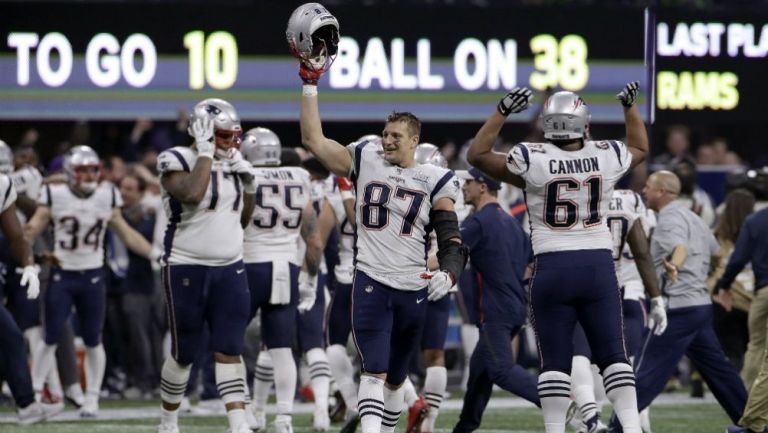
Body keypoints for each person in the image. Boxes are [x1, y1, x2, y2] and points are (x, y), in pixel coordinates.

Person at [290, 6, 467, 433]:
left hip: (413, 286)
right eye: (385, 134)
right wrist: (310, 84)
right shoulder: (365, 158)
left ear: (415, 140)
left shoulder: (434, 176)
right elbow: (313, 140)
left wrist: (451, 273)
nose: (387, 141)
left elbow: (450, 236)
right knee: (374, 368)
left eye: (395, 136)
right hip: (371, 279)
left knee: (396, 378)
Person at [466, 82, 650, 433]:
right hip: (597, 266)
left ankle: (554, 429)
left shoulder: (531, 158)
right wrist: (629, 108)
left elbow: (477, 155)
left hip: (551, 266)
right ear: (583, 123)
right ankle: (630, 426)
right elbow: (640, 146)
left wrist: (501, 111)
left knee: (554, 362)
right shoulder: (606, 154)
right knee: (614, 356)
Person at [607, 170, 748, 433]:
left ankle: (617, 427)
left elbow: (679, 248)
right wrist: (699, 273)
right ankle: (752, 422)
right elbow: (717, 254)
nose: (644, 191)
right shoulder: (694, 217)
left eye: (649, 187)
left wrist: (675, 266)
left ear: (662, 192)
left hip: (677, 308)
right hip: (700, 306)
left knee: (647, 371)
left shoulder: (669, 219)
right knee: (719, 371)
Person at [24, 145, 158, 418]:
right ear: (71, 173)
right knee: (50, 337)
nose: (89, 175)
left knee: (94, 339)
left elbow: (126, 233)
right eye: (83, 170)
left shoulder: (107, 194)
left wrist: (155, 253)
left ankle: (92, 398)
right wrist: (29, 260)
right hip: (62, 274)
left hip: (93, 276)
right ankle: (36, 394)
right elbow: (29, 231)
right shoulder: (55, 194)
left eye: (93, 170)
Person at [153, 98, 257, 433]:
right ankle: (168, 421)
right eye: (223, 136)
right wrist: (205, 152)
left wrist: (251, 188)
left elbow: (241, 221)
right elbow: (194, 193)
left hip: (230, 266)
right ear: (203, 132)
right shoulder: (177, 158)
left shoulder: (234, 162)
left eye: (234, 136)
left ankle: (238, 424)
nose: (231, 144)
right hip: (187, 265)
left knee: (230, 348)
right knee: (184, 352)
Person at [238, 127, 322, 433]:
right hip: (286, 267)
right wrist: (310, 280)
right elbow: (313, 241)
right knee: (282, 348)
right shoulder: (299, 177)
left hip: (247, 265)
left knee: (229, 343)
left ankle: (244, 413)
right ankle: (284, 418)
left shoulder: (243, 174)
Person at [451, 166, 541, 433]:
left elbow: (450, 252)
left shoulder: (478, 221)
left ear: (482, 186)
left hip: (495, 309)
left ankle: (556, 400)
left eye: (468, 182)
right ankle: (464, 429)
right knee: (479, 375)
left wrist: (415, 267)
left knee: (500, 370)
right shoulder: (509, 220)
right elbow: (532, 263)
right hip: (514, 305)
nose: (464, 187)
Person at [568, 188, 666, 433]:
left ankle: (590, 416)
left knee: (581, 355)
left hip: (590, 284)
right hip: (629, 289)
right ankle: (638, 423)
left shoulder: (583, 195)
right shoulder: (633, 201)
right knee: (623, 364)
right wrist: (657, 297)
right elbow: (645, 250)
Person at [0, 161, 63, 424]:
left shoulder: (2, 184)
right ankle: (26, 404)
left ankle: (27, 405)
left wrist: (29, 265)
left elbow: (16, 236)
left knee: (11, 337)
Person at [716, 194, 768, 433]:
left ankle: (749, 404)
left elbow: (738, 259)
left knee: (756, 349)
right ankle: (753, 418)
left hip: (762, 292)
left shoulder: (756, 220)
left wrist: (723, 285)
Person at [709, 189, 756, 372]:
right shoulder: (759, 234)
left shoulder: (716, 236)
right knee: (754, 354)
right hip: (754, 300)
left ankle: (735, 395)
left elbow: (707, 267)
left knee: (731, 354)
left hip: (723, 300)